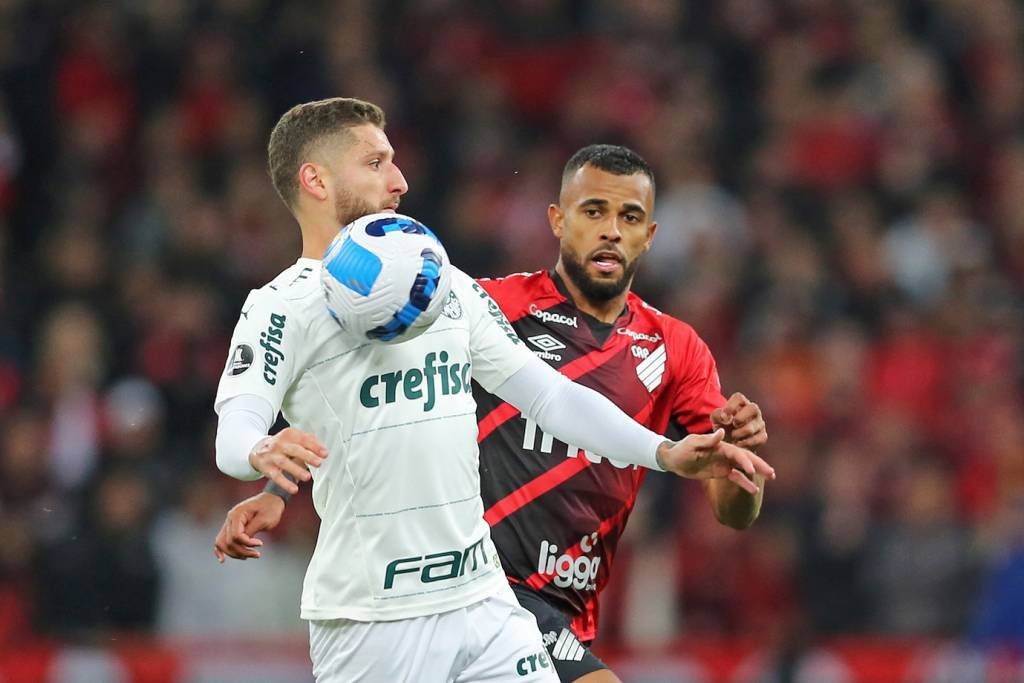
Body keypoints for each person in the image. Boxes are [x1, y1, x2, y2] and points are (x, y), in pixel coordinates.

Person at [212, 98, 774, 683]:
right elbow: (237, 425)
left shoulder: (444, 285)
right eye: (376, 163)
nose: (400, 180)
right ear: (316, 180)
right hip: (372, 619)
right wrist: (259, 457)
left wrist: (664, 452)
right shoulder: (281, 306)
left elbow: (550, 397)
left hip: (483, 603)